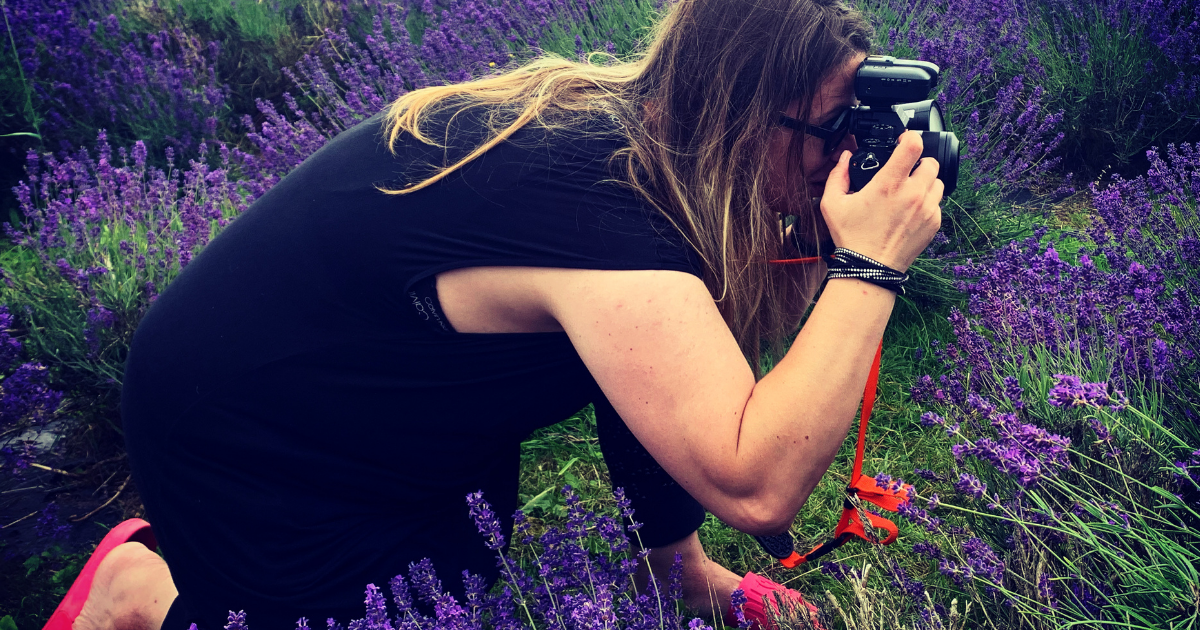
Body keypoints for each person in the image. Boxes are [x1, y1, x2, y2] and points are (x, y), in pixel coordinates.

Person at [66, 0, 944, 628]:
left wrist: (678, 572)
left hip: (393, 411)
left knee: (454, 582)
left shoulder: (655, 144)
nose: (849, 155)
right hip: (245, 428)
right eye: (834, 128)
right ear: (738, 112)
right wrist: (870, 265)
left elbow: (659, 382)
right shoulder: (608, 215)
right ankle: (142, 593)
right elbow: (756, 484)